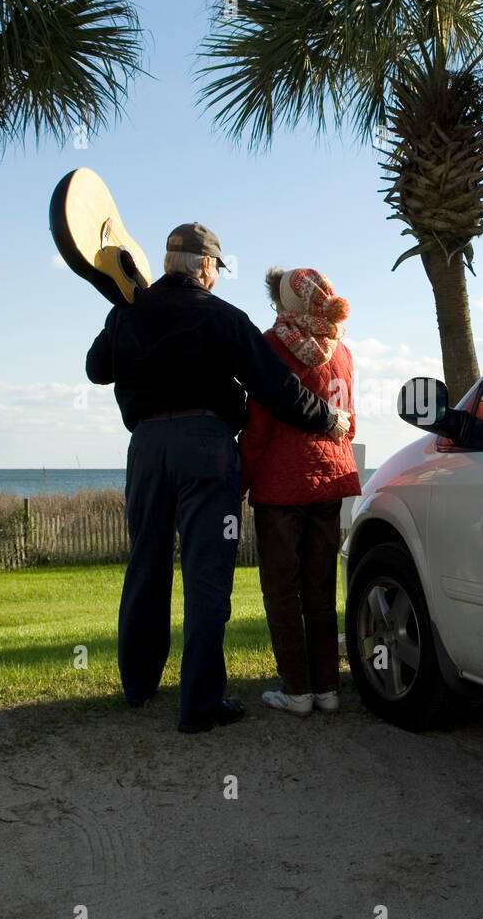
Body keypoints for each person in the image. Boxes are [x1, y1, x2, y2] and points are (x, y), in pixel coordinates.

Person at [85, 224, 350, 734]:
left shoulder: (129, 309)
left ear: (166, 263)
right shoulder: (223, 317)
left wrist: (123, 310)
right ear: (206, 268)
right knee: (207, 575)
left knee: (146, 563)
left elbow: (97, 369)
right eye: (217, 269)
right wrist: (328, 419)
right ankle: (200, 703)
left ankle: (138, 686)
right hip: (207, 448)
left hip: (146, 448)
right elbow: (274, 388)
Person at [239, 267, 361, 716]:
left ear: (287, 304)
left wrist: (241, 478)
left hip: (281, 482)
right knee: (320, 586)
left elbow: (259, 422)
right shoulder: (342, 350)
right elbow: (349, 416)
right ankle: (327, 688)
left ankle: (296, 690)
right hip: (331, 478)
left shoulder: (273, 346)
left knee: (281, 589)